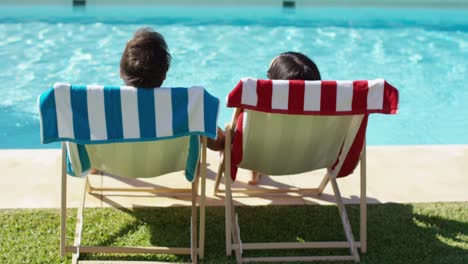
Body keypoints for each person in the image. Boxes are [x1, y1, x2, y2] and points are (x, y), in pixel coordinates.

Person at [248, 51, 322, 184]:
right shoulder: (328, 108)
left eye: (269, 76)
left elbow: (241, 135)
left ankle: (254, 173)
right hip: (311, 160)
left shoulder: (258, 107)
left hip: (261, 159)